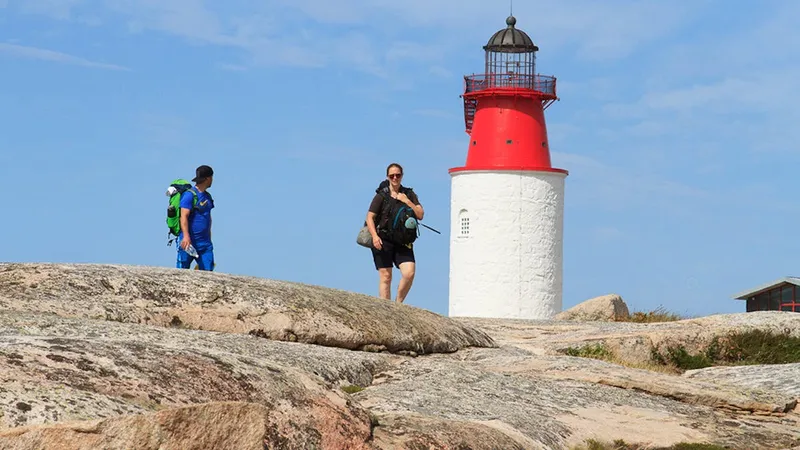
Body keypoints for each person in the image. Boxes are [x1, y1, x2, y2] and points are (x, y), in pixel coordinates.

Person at [365, 163, 424, 303]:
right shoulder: (382, 196)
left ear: (402, 176)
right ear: (388, 177)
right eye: (392, 175)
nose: (395, 178)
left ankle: (398, 305)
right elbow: (369, 217)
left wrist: (407, 201)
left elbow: (420, 214)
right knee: (386, 276)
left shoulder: (409, 194)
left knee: (409, 273)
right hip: (383, 239)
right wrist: (374, 236)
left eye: (398, 175)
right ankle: (386, 308)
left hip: (403, 240)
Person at [177, 165, 215, 271]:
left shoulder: (208, 197)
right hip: (188, 242)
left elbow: (208, 217)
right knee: (181, 273)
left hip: (205, 244)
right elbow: (183, 216)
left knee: (208, 274)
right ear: (208, 178)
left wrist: (209, 237)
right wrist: (185, 236)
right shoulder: (189, 195)